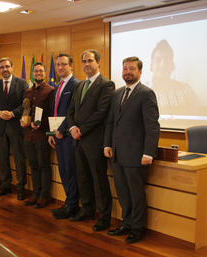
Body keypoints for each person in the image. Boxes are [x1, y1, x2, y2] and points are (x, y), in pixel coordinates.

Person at [105, 56, 160, 244]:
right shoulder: (117, 93)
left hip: (136, 155)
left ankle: (137, 229)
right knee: (122, 192)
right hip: (117, 154)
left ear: (140, 72)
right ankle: (125, 224)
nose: (127, 72)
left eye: (132, 69)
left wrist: (149, 152)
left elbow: (152, 126)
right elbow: (111, 122)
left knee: (136, 194)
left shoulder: (146, 93)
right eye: (125, 69)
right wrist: (107, 145)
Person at [67, 49, 114, 232]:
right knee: (83, 178)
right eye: (84, 61)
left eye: (90, 61)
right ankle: (87, 209)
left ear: (98, 63)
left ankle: (104, 217)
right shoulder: (79, 85)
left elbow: (101, 113)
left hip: (94, 141)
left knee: (98, 180)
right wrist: (72, 128)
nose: (87, 64)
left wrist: (82, 130)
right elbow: (71, 110)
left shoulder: (106, 84)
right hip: (77, 140)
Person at [0, 57, 28, 200]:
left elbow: (25, 104)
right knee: (3, 158)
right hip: (0, 127)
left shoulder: (22, 83)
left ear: (12, 67)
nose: (4, 69)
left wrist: (12, 113)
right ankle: (5, 185)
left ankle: (21, 187)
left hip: (15, 126)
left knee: (18, 158)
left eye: (7, 66)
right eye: (2, 67)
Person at [48, 54, 79, 219]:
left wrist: (61, 129)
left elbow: (72, 112)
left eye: (64, 64)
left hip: (68, 136)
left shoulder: (76, 85)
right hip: (57, 136)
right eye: (58, 65)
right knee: (63, 171)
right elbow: (55, 112)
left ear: (71, 66)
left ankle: (72, 205)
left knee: (70, 171)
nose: (60, 67)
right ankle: (68, 202)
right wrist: (52, 132)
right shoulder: (58, 85)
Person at [22, 62, 54, 208]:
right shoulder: (28, 91)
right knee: (33, 165)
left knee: (43, 165)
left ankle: (44, 195)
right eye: (36, 71)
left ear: (45, 73)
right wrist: (23, 120)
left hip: (42, 135)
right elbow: (25, 111)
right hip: (29, 135)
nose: (38, 73)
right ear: (32, 74)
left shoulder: (50, 90)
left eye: (41, 71)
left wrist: (44, 126)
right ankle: (35, 193)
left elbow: (53, 113)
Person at [149, 39, 200, 113]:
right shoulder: (138, 93)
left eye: (166, 60)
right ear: (151, 66)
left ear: (172, 66)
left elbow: (198, 116)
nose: (163, 65)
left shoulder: (186, 90)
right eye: (158, 60)